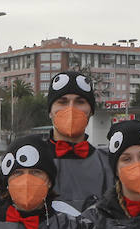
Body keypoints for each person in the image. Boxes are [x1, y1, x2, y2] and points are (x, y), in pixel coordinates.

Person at [42, 73, 114, 214]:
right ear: (50, 111)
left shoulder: (110, 163)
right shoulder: (26, 161)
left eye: (80, 102)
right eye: (62, 102)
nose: (71, 109)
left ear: (91, 111)